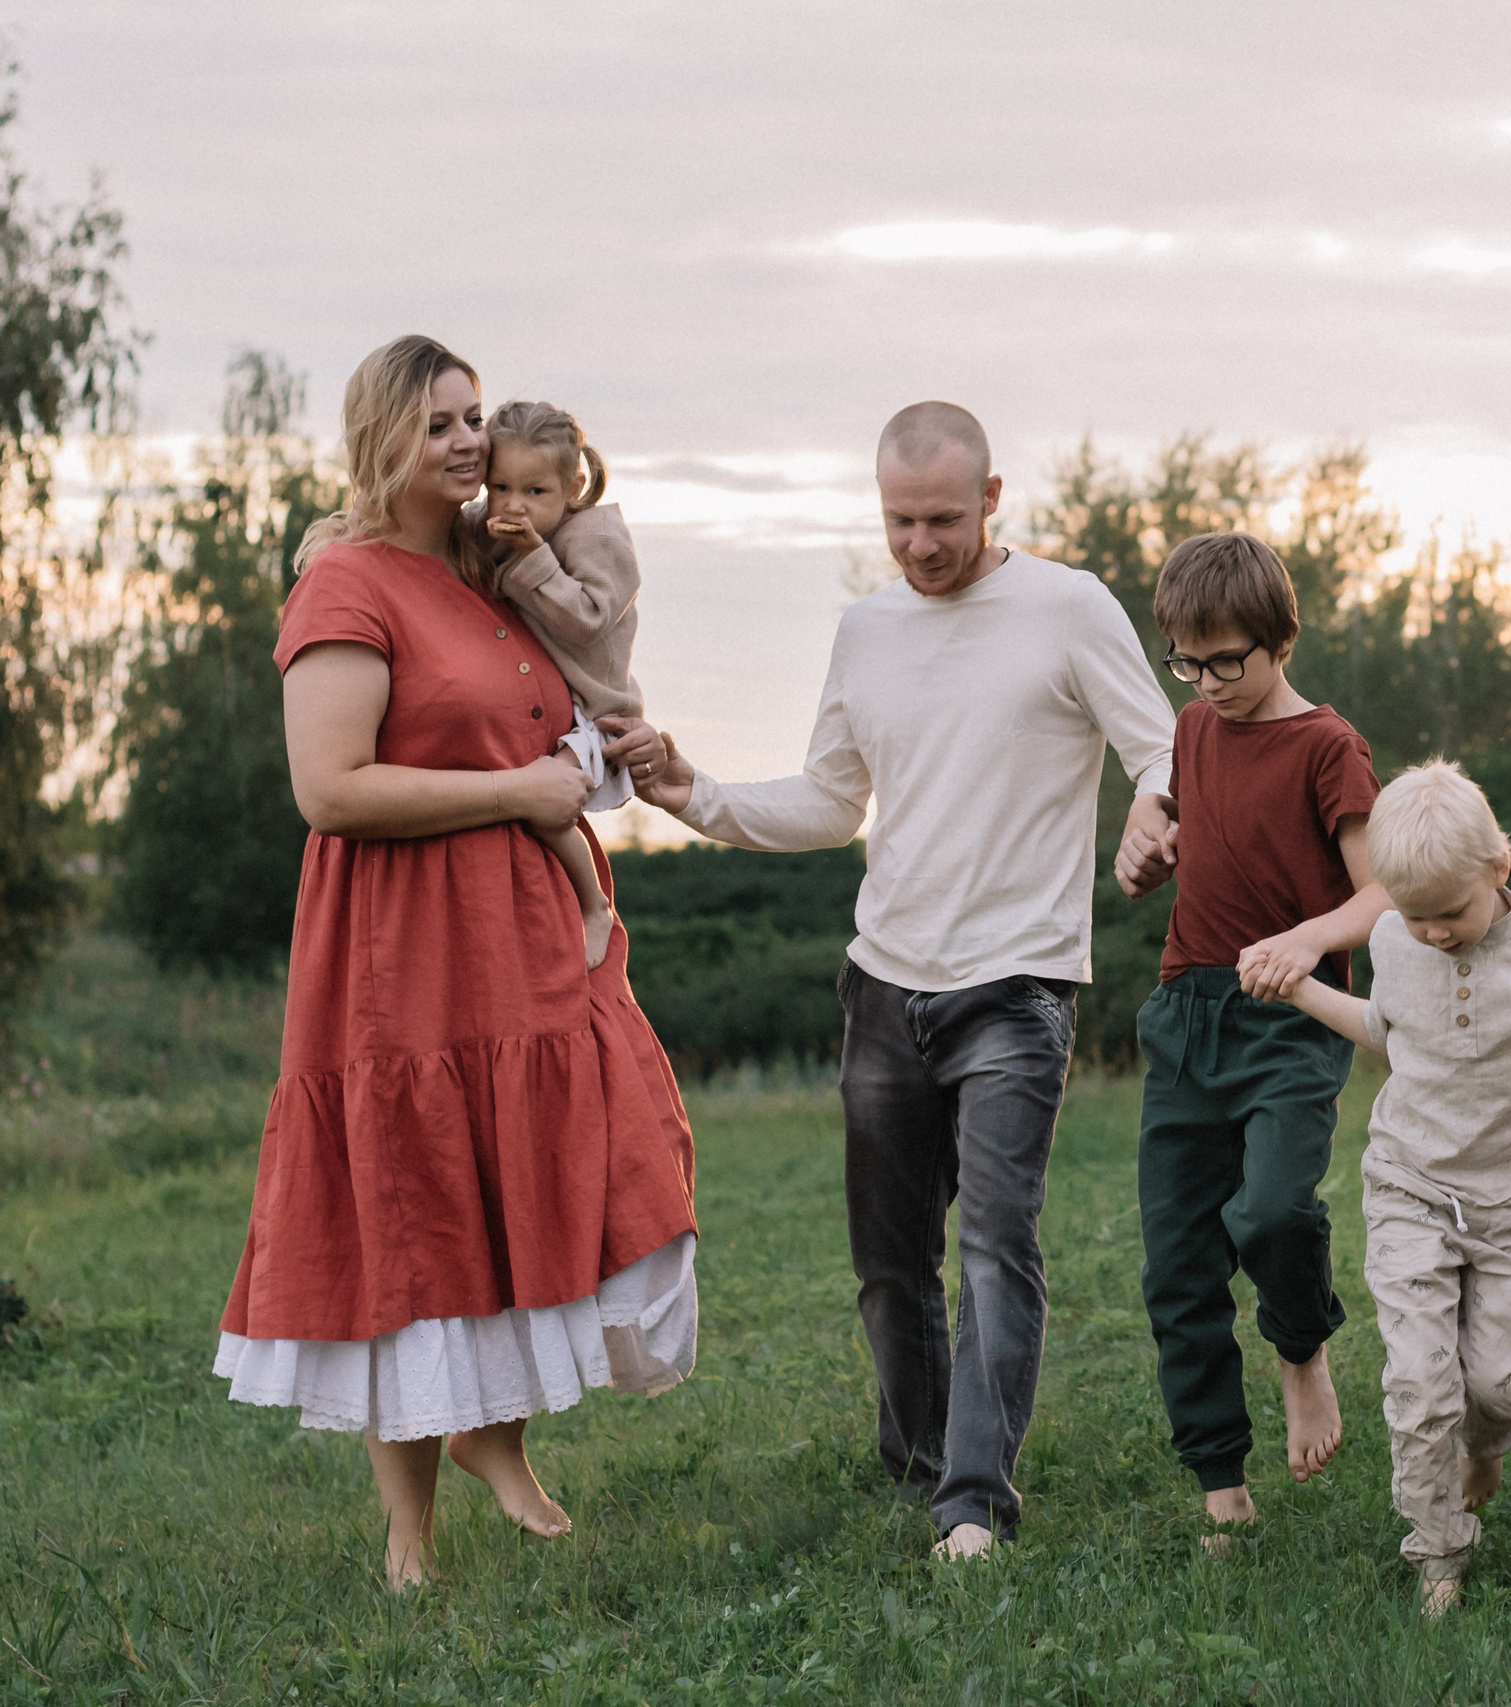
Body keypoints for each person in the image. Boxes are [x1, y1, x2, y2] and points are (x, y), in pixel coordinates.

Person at [636, 401, 1178, 1559]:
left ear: (991, 500)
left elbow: (1167, 749)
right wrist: (695, 794)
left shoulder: (1068, 607)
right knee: (889, 1266)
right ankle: (923, 1464)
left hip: (1016, 987)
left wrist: (1151, 816)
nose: (921, 545)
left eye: (941, 519)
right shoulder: (867, 630)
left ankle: (975, 1500)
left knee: (994, 1244)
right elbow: (834, 802)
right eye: (898, 522)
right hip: (882, 985)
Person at [213, 335, 699, 1591]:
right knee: (413, 1202)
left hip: (528, 938)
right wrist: (513, 790)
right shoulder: (349, 584)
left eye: (473, 416)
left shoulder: (497, 572)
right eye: (437, 424)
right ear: (382, 437)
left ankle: (496, 1433)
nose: (467, 442)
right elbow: (330, 788)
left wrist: (614, 750)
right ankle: (411, 1539)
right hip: (405, 945)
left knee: (528, 1180)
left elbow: (560, 726)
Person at [1111, 531, 1390, 1542]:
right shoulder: (1192, 726)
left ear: (1278, 641)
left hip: (1288, 1019)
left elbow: (1383, 893)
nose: (1209, 681)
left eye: (1227, 659)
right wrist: (1140, 841)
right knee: (1177, 1262)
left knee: (1270, 1213)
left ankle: (1301, 1348)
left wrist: (1304, 943)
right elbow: (1167, 809)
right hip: (1187, 1013)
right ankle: (1219, 1484)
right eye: (1187, 659)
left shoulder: (1328, 746)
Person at [1282, 762, 1511, 1617]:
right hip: (1410, 1184)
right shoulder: (1393, 938)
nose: (1431, 933)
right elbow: (1392, 1036)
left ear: (1499, 868)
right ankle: (1436, 1551)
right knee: (1422, 1382)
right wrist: (1305, 986)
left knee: (1497, 1384)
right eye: (1413, 913)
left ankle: (1488, 1446)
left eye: (1449, 913)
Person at [477, 399, 643, 969]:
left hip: (598, 716)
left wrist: (535, 558)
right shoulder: (495, 523)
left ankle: (595, 904)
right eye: (499, 487)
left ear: (572, 487)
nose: (513, 505)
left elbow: (589, 621)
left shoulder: (597, 536)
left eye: (534, 492)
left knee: (544, 807)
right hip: (546, 710)